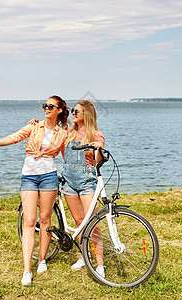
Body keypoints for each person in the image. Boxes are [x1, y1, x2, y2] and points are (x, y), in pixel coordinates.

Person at [0, 95, 69, 286]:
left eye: (51, 106)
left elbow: (68, 156)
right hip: (28, 177)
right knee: (30, 221)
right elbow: (14, 137)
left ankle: (42, 260)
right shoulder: (33, 126)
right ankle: (27, 270)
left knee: (46, 219)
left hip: (49, 177)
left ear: (59, 110)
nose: (46, 108)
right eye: (45, 105)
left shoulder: (63, 134)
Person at [61, 100, 105, 277]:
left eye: (76, 111)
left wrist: (98, 148)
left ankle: (100, 264)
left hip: (87, 181)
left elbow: (98, 160)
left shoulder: (95, 134)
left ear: (86, 114)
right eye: (72, 111)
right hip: (69, 181)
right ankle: (84, 256)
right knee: (79, 222)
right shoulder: (69, 132)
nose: (73, 113)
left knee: (93, 223)